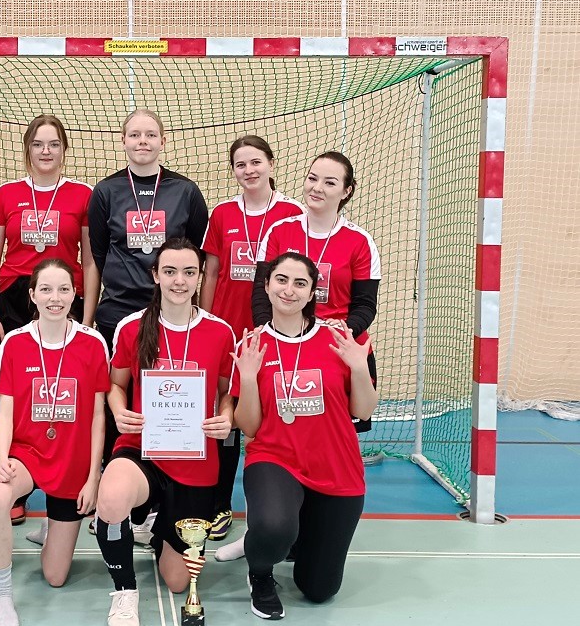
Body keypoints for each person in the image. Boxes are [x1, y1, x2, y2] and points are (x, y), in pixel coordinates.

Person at [216, 150, 381, 562]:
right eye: (312, 178)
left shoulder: (360, 241)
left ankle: (310, 533)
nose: (317, 188)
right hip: (280, 345)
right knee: (264, 439)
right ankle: (262, 533)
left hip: (334, 355)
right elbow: (259, 291)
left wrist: (342, 333)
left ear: (346, 192)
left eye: (329, 182)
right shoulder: (279, 230)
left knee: (330, 444)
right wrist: (265, 332)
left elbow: (365, 304)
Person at [95, 238, 235, 626]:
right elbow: (116, 385)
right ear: (155, 276)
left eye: (189, 272)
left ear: (200, 276)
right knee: (112, 496)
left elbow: (228, 392)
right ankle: (124, 591)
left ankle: (158, 531)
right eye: (170, 271)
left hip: (195, 459)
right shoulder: (133, 326)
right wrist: (119, 410)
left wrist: (226, 417)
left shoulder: (221, 332)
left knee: (177, 581)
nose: (179, 280)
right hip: (142, 448)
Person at [229, 252, 378, 620]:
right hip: (275, 458)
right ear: (266, 285)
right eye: (281, 280)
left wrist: (359, 367)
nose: (289, 290)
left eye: (300, 283)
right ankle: (260, 572)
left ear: (313, 292)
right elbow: (248, 426)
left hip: (335, 466)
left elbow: (364, 410)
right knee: (273, 526)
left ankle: (297, 536)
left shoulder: (340, 338)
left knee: (318, 590)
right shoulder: (251, 345)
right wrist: (248, 378)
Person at [86, 109, 210, 545]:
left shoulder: (185, 191)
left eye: (151, 134)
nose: (143, 141)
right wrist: (88, 318)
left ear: (162, 141)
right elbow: (97, 256)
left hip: (172, 314)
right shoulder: (106, 191)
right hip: (118, 313)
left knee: (170, 402)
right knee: (117, 404)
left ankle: (160, 501)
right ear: (123, 141)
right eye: (134, 134)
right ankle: (114, 494)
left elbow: (196, 253)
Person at [0, 114, 98, 526]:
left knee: (69, 392)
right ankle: (16, 480)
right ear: (27, 150)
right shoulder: (7, 194)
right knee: (22, 394)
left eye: (53, 144)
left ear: (65, 150)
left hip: (63, 297)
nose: (45, 151)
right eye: (38, 144)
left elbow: (89, 258)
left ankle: (66, 482)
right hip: (17, 298)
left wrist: (88, 315)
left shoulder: (82, 195)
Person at [0, 259, 109, 626]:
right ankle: (3, 595)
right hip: (28, 455)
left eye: (64, 289)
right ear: (33, 295)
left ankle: (54, 526)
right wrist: (2, 458)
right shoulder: (15, 342)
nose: (56, 298)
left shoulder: (93, 343)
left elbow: (99, 416)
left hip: (71, 462)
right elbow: (5, 411)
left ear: (75, 294)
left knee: (55, 576)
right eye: (47, 290)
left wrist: (93, 478)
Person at [199, 135, 303, 541]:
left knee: (271, 421)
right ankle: (221, 504)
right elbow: (210, 273)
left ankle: (276, 508)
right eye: (240, 164)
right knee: (226, 419)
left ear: (272, 164)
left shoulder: (292, 214)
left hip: (274, 334)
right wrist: (206, 318)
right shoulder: (223, 214)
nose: (249, 170)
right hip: (228, 331)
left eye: (256, 162)